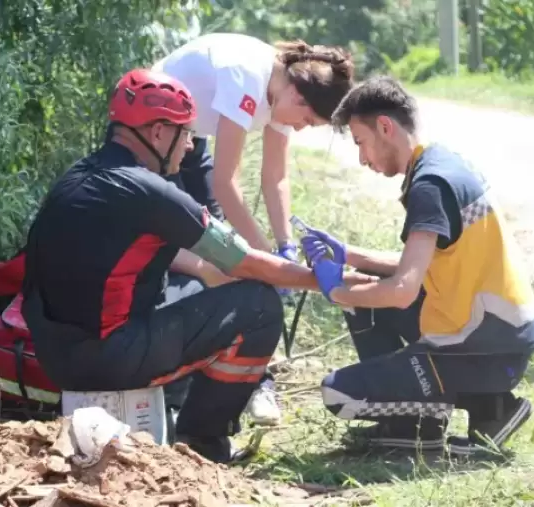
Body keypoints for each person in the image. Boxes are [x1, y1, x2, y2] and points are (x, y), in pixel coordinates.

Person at [19, 69, 375, 464]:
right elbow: (247, 262)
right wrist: (324, 280)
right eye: (185, 132)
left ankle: (173, 405)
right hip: (106, 360)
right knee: (259, 306)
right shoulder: (152, 192)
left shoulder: (78, 177)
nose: (190, 146)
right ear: (157, 133)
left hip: (55, 355)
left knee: (195, 288)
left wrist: (209, 271)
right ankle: (202, 444)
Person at [297, 76, 534, 455]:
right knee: (361, 300)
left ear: (385, 127)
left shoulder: (429, 185)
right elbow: (419, 267)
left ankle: (462, 413)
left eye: (360, 143)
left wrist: (335, 289)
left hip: (484, 343)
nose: (362, 158)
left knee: (338, 393)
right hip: (494, 333)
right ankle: (431, 422)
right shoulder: (439, 162)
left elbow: (402, 291)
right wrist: (347, 254)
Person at [152, 32, 356, 426]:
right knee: (201, 257)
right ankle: (177, 390)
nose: (300, 129)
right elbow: (227, 185)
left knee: (233, 258)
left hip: (190, 140)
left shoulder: (285, 88)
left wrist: (284, 247)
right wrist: (262, 259)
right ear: (298, 98)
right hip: (155, 139)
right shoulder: (246, 78)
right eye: (307, 121)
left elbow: (275, 177)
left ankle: (254, 379)